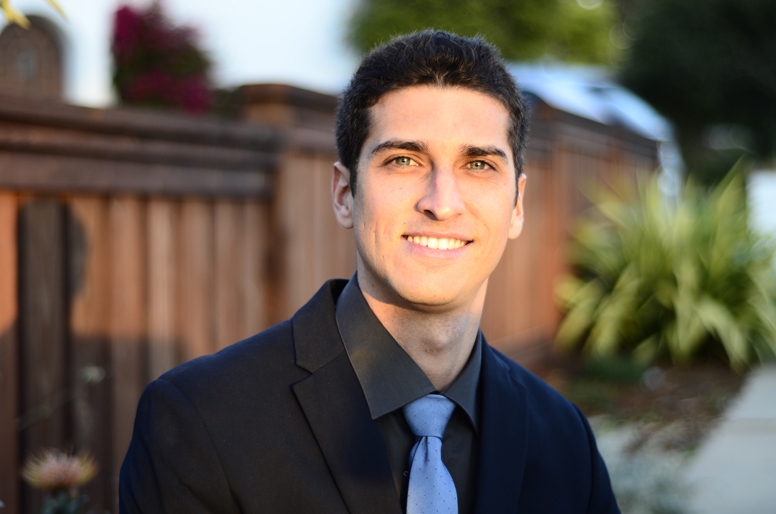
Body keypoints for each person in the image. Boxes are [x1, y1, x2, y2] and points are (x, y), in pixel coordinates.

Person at [120, 30, 619, 514]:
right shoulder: (202, 421)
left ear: (517, 205)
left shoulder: (565, 439)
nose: (441, 203)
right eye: (404, 160)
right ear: (345, 194)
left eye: (479, 165)